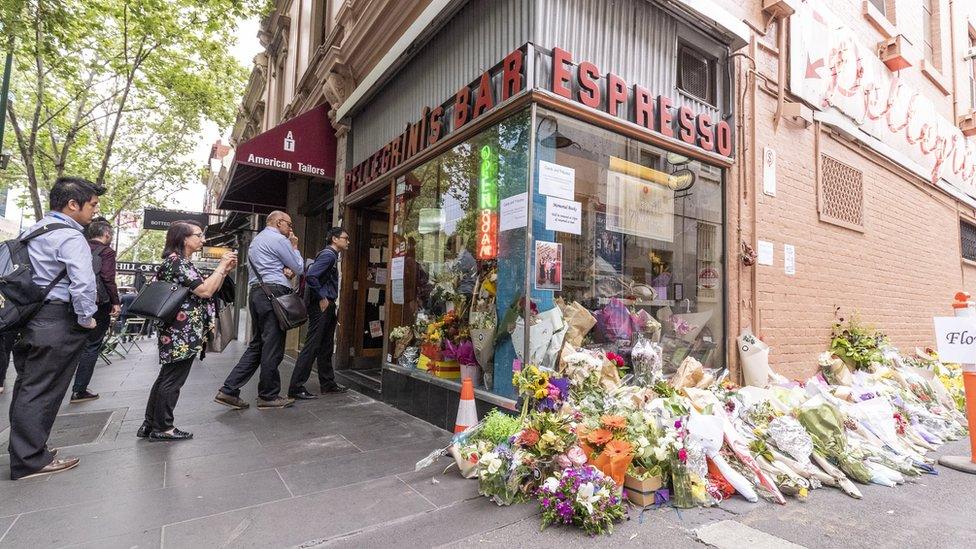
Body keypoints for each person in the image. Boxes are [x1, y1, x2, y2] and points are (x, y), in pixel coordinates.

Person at [8, 176, 102, 480]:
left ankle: (29, 450)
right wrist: (87, 317)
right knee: (44, 390)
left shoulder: (32, 231)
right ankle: (30, 460)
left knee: (28, 386)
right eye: (92, 204)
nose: (95, 211)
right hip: (56, 319)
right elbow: (83, 282)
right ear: (72, 204)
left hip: (29, 317)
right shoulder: (71, 236)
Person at [139, 221, 237, 441]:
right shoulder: (177, 263)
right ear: (184, 238)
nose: (203, 240)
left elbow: (210, 290)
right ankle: (163, 427)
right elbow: (204, 291)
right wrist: (220, 267)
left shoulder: (181, 263)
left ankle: (150, 424)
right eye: (199, 235)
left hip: (180, 329)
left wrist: (224, 272)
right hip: (180, 330)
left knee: (167, 376)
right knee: (173, 379)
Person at [215, 210, 304, 410]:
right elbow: (298, 267)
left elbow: (270, 266)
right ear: (279, 222)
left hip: (257, 293)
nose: (291, 229)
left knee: (257, 346)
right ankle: (268, 396)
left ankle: (229, 390)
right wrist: (294, 245)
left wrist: (283, 269)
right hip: (273, 294)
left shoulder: (257, 241)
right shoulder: (279, 240)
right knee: (272, 346)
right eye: (289, 225)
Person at [288, 227, 350, 399]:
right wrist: (323, 298)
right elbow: (312, 276)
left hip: (327, 306)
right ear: (335, 239)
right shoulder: (329, 255)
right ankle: (296, 387)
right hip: (321, 306)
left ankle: (328, 384)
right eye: (345, 238)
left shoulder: (331, 255)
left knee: (325, 346)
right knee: (312, 346)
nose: (347, 241)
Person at [70, 218, 121, 403]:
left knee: (70, 344)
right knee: (91, 345)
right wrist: (115, 302)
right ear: (106, 234)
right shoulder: (106, 252)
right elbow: (108, 277)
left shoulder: (77, 246)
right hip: (97, 303)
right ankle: (79, 390)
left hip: (71, 301)